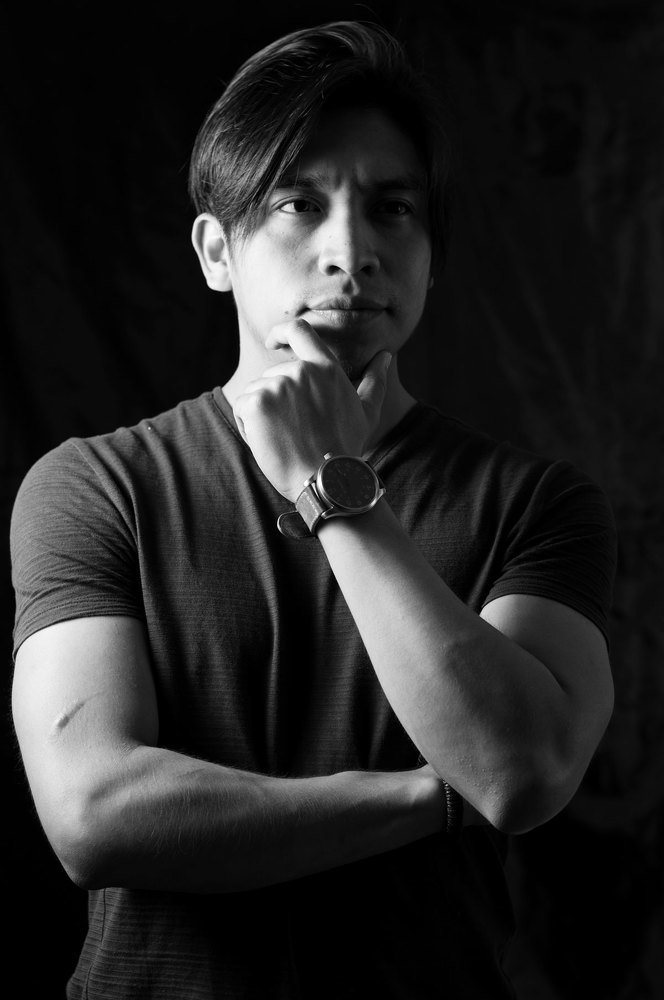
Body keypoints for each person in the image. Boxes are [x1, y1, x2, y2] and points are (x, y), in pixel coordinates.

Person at [10, 19, 616, 1000]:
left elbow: (514, 769)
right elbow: (96, 816)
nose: (352, 251)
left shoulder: (534, 504)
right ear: (216, 250)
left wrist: (331, 484)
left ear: (431, 255)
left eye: (392, 209)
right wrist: (433, 795)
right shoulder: (95, 485)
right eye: (298, 204)